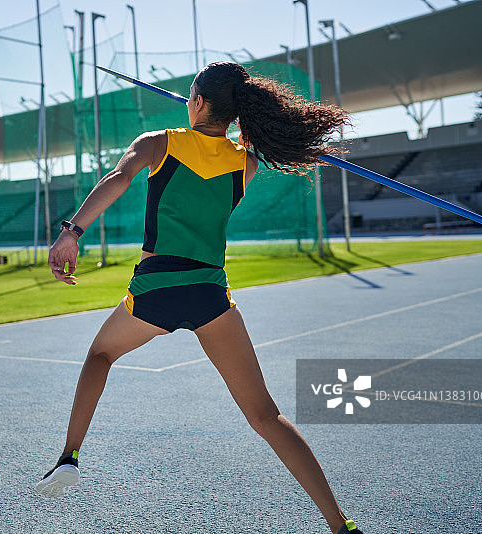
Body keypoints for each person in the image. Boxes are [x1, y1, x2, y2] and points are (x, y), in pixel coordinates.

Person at [35, 62, 363, 534]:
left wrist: (72, 232)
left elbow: (119, 178)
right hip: (210, 294)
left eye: (191, 95)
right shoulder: (246, 161)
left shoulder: (159, 142)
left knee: (101, 354)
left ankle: (69, 455)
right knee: (266, 416)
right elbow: (237, 148)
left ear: (201, 102)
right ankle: (339, 523)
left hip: (157, 287)